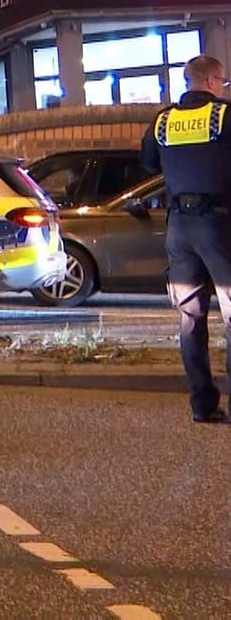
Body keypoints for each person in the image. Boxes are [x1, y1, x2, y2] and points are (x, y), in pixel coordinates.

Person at [140, 54, 231, 423]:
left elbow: (148, 164)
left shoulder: (163, 121)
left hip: (179, 227)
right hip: (219, 225)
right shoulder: (225, 116)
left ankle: (202, 404)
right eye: (223, 82)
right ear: (211, 81)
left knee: (191, 317)